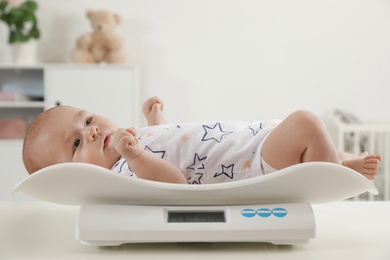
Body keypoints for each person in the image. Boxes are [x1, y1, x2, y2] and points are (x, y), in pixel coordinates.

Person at [22, 96, 382, 184]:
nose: (92, 130)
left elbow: (176, 144)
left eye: (86, 120)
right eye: (75, 144)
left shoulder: (128, 140)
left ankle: (337, 159)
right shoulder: (123, 172)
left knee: (302, 129)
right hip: (256, 162)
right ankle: (333, 171)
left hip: (254, 139)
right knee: (306, 122)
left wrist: (155, 123)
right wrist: (134, 156)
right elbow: (172, 181)